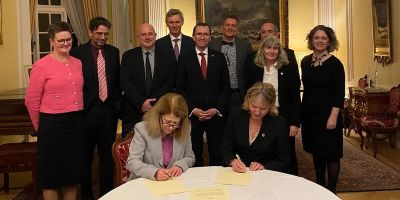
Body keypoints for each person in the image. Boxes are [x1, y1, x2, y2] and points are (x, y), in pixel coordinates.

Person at [25, 22, 84, 200]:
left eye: (68, 39)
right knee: (50, 177)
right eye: (61, 41)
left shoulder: (78, 63)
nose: (66, 43)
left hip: (75, 124)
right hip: (51, 126)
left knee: (72, 175)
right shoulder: (41, 65)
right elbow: (31, 100)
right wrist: (40, 127)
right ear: (51, 41)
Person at [69, 17, 121, 199]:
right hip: (86, 112)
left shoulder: (114, 52)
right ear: (90, 32)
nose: (102, 37)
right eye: (99, 33)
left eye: (106, 34)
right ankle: (86, 195)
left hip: (108, 112)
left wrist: (116, 105)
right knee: (85, 157)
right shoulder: (76, 53)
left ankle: (107, 193)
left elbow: (116, 82)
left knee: (107, 157)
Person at [176, 22, 231, 166]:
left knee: (217, 153)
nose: (202, 37)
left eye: (205, 34)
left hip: (215, 114)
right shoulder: (184, 58)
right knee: (194, 153)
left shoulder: (219, 57)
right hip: (193, 115)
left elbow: (226, 87)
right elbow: (180, 88)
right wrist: (192, 109)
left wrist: (217, 109)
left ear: (210, 37)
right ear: (193, 36)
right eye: (199, 34)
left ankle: (218, 183)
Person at [245, 36, 301, 175]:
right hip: (260, 113)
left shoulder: (288, 67)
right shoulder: (254, 66)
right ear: (262, 50)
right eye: (268, 47)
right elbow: (249, 90)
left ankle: (290, 179)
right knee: (263, 148)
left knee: (286, 150)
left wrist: (295, 123)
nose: (272, 51)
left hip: (283, 115)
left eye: (275, 48)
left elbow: (295, 96)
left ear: (279, 51)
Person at [300, 25, 345, 194]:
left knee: (331, 154)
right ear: (311, 40)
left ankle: (331, 192)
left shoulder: (335, 64)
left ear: (329, 42)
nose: (319, 41)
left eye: (323, 38)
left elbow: (339, 93)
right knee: (316, 152)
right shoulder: (305, 61)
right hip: (310, 115)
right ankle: (320, 187)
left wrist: (333, 116)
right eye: (316, 38)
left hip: (328, 115)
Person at [221, 82, 291, 173]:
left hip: (265, 177)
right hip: (237, 174)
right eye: (253, 106)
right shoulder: (236, 115)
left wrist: (264, 166)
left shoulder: (279, 123)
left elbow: (285, 160)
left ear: (271, 106)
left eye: (263, 108)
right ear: (248, 100)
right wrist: (232, 160)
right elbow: (226, 147)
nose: (257, 112)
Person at [120, 23, 175, 138]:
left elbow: (169, 82)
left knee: (157, 150)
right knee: (131, 150)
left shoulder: (167, 56)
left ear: (155, 35)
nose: (147, 37)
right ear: (138, 37)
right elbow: (125, 82)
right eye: (143, 35)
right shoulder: (128, 56)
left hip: (160, 112)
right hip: (133, 112)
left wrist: (153, 103)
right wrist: (141, 102)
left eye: (150, 34)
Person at [126, 93, 195, 181]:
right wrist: (154, 172)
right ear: (158, 116)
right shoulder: (142, 129)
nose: (170, 127)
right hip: (144, 182)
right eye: (167, 122)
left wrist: (180, 165)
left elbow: (190, 156)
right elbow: (132, 162)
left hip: (173, 183)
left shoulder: (184, 128)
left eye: (175, 123)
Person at [209, 15, 252, 108]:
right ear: (222, 27)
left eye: (233, 25)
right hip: (217, 94)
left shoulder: (245, 46)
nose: (230, 27)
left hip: (238, 94)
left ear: (237, 29)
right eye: (227, 25)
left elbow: (248, 71)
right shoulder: (212, 44)